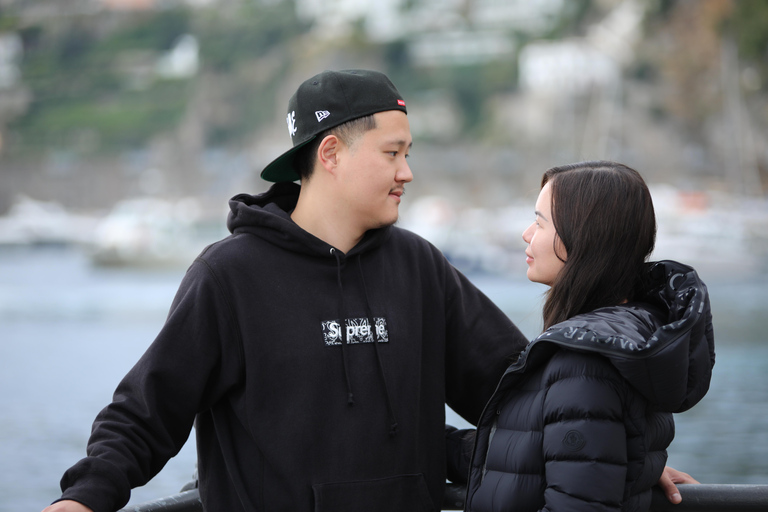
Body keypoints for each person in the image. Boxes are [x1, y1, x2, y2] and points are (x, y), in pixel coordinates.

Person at [43, 72, 694, 512]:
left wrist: (623, 458)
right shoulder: (229, 277)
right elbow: (146, 413)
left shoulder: (419, 267)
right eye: (392, 153)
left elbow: (520, 396)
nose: (408, 172)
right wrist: (85, 497)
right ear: (330, 154)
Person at [463, 161, 716, 512]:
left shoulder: (584, 364)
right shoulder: (621, 342)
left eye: (539, 222)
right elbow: (529, 457)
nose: (526, 234)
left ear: (581, 238)